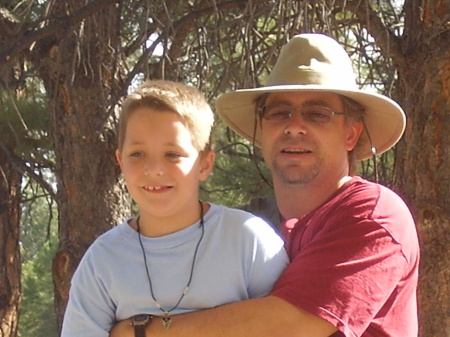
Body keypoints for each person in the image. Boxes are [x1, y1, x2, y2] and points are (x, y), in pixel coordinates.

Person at [110, 34, 420, 337]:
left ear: (351, 134)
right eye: (278, 112)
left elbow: (290, 325)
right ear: (262, 128)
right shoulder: (247, 232)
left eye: (317, 114)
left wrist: (142, 330)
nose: (294, 126)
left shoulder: (374, 214)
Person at [60, 79, 288, 337]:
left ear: (204, 164)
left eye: (172, 155)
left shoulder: (248, 240)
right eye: (137, 154)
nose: (154, 169)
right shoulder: (103, 260)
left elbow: (287, 326)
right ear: (120, 161)